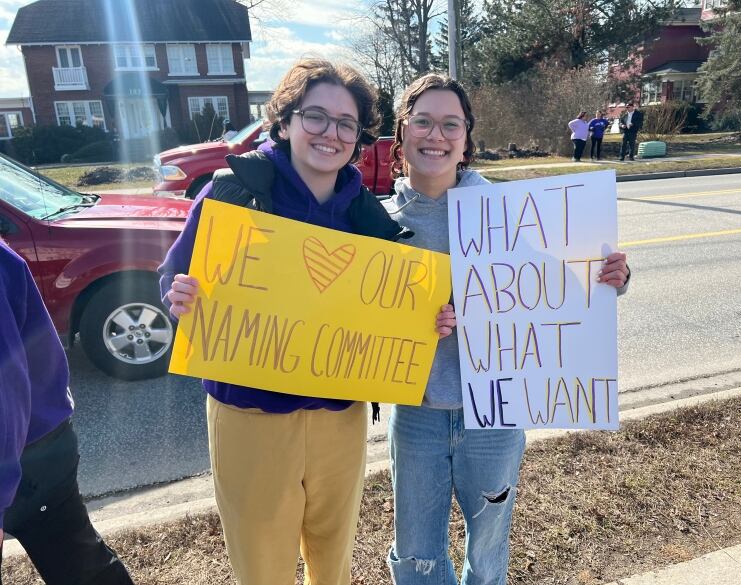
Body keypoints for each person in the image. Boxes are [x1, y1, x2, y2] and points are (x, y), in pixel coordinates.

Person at [158, 58, 412, 585]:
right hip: (251, 414)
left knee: (333, 561)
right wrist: (177, 294)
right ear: (285, 121)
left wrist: (424, 317)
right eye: (315, 116)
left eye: (346, 123)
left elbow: (390, 307)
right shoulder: (233, 190)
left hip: (337, 418)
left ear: (359, 137)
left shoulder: (365, 214)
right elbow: (175, 273)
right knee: (262, 568)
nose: (330, 133)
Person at [383, 73, 631, 585]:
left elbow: (557, 279)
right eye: (423, 121)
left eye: (451, 124)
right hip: (417, 413)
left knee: (489, 547)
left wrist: (610, 277)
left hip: (494, 417)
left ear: (467, 138)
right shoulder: (377, 222)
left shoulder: (508, 211)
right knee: (415, 552)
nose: (436, 135)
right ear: (401, 133)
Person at [0, 240, 134, 585]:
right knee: (84, 566)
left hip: (30, 453)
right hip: (41, 442)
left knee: (83, 570)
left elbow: (5, 391)